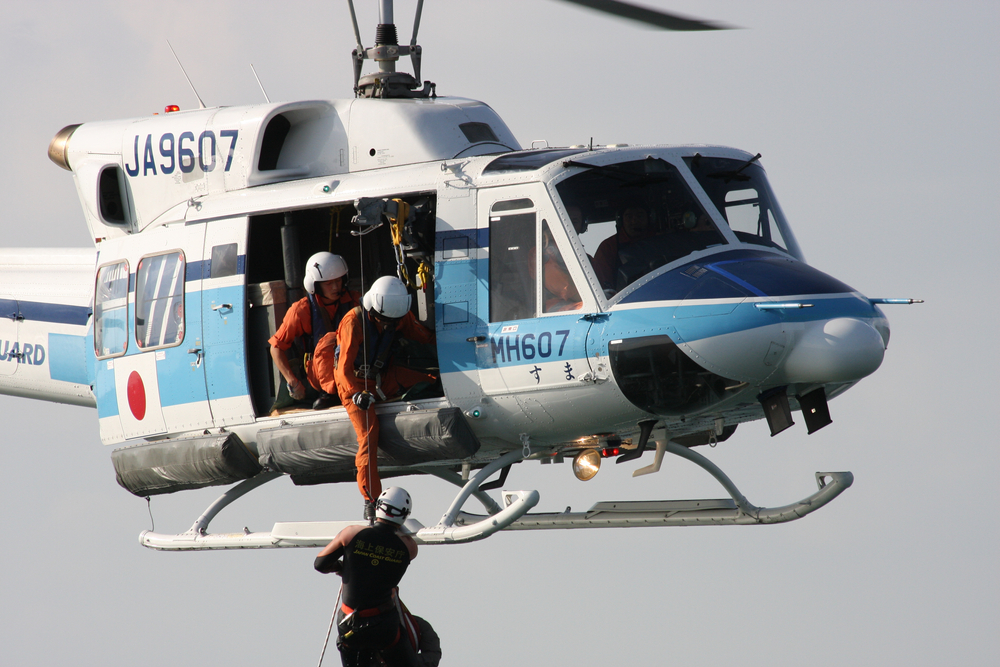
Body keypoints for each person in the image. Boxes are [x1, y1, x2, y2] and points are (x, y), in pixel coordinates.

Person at [312, 276, 436, 517]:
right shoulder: (353, 322)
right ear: (373, 311)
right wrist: (356, 394)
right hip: (355, 384)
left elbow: (422, 336)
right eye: (385, 321)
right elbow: (343, 368)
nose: (390, 325)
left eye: (394, 322)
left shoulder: (398, 316)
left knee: (430, 382)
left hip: (383, 376)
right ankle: (371, 499)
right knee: (368, 437)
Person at [315, 487, 421, 667]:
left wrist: (342, 567)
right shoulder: (409, 548)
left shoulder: (350, 534)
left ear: (378, 507)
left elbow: (320, 564)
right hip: (383, 627)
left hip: (350, 626)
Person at [268, 252, 360, 410]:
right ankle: (330, 393)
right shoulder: (301, 310)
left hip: (355, 366)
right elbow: (276, 347)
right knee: (330, 340)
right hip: (320, 374)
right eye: (328, 283)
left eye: (338, 281)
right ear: (315, 284)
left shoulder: (355, 301)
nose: (335, 287)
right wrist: (293, 382)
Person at [592, 207, 650, 290]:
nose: (634, 221)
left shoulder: (661, 241)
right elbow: (603, 283)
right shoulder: (608, 247)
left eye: (640, 216)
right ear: (621, 221)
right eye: (629, 217)